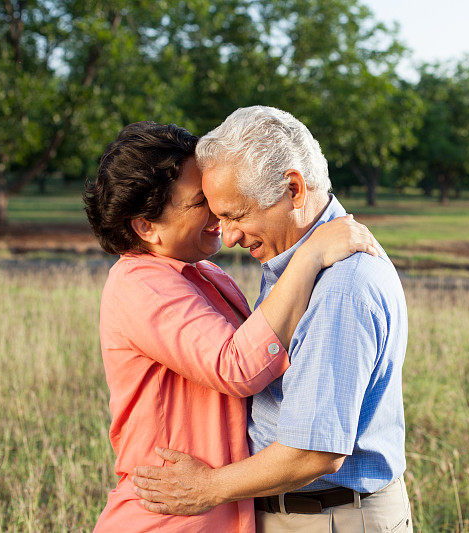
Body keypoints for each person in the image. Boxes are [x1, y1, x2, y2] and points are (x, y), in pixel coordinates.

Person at [83, 121, 380, 532]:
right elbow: (236, 367)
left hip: (218, 510)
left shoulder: (201, 272)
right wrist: (310, 254)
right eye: (199, 202)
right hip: (171, 517)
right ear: (145, 226)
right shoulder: (139, 283)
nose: (219, 218)